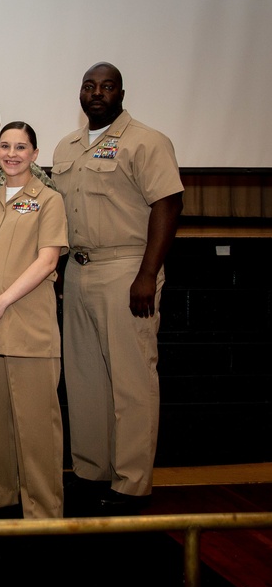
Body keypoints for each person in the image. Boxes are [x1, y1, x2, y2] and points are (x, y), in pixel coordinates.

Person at [52, 63, 183, 514]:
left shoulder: (147, 141)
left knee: (131, 380)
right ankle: (92, 472)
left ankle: (131, 483)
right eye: (89, 86)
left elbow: (168, 203)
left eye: (107, 87)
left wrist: (148, 273)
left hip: (127, 268)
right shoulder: (66, 147)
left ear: (121, 93)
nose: (97, 93)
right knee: (86, 380)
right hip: (78, 268)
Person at [0, 122, 69, 519]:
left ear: (35, 154)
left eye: (21, 147)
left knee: (37, 426)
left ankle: (42, 512)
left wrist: (2, 301)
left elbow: (48, 259)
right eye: (5, 146)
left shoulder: (49, 200)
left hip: (25, 325)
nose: (11, 153)